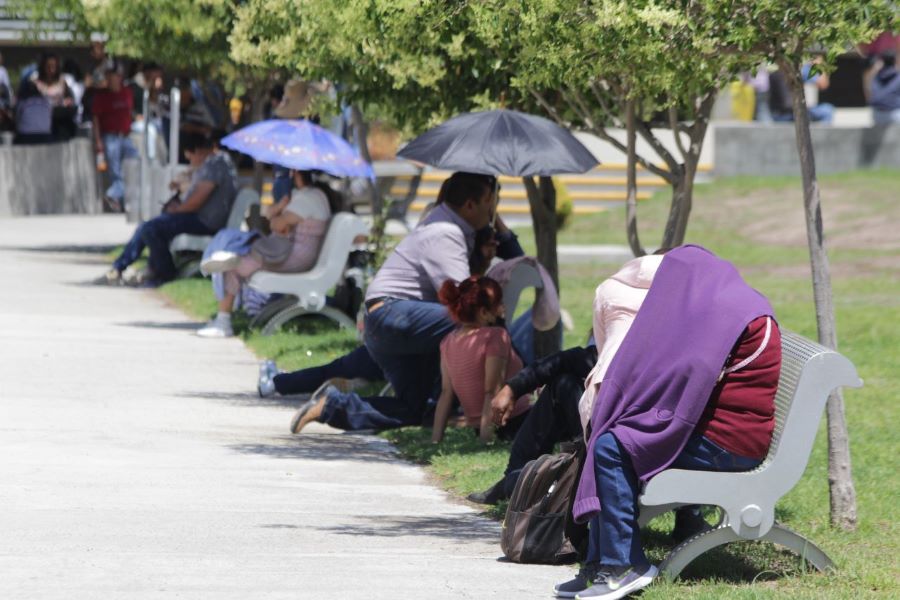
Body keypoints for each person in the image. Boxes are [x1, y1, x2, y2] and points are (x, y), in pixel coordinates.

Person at [555, 245, 781, 600]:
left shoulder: (737, 317)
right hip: (711, 430)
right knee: (607, 434)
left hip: (732, 445)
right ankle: (600, 564)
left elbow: (691, 376)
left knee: (613, 447)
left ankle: (622, 566)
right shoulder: (718, 303)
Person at [286, 171, 496, 434]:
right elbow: (467, 301)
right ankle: (478, 411)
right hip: (394, 315)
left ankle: (331, 406)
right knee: (478, 325)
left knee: (412, 409)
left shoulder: (447, 225)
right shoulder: (446, 231)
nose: (492, 207)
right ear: (469, 205)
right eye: (490, 200)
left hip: (388, 322)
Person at [197, 170, 334, 338]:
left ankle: (223, 322)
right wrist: (280, 211)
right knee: (235, 254)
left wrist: (279, 214)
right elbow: (272, 217)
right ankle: (224, 316)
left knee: (230, 265)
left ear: (296, 174)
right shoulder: (311, 196)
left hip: (293, 258)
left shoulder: (308, 199)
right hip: (294, 255)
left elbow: (275, 224)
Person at [102, 132, 237, 287]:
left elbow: (195, 202)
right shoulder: (214, 163)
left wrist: (175, 211)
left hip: (205, 222)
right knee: (147, 226)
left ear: (199, 152)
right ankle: (123, 267)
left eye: (190, 157)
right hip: (200, 219)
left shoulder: (216, 165)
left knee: (151, 228)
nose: (190, 161)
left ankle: (164, 273)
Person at [431, 276, 529, 444]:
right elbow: (492, 390)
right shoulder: (495, 336)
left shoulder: (447, 342)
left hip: (479, 426)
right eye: (498, 304)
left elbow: (446, 393)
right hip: (513, 421)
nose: (502, 308)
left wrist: (435, 440)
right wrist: (486, 440)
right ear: (484, 312)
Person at [92, 65, 137, 212]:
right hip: (110, 136)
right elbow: (96, 120)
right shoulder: (101, 97)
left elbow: (129, 112)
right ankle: (115, 196)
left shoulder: (127, 93)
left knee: (135, 165)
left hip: (125, 136)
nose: (113, 81)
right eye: (109, 78)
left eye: (115, 78)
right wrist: (98, 140)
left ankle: (117, 195)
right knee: (115, 171)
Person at [31, 52, 76, 140]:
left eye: (53, 66)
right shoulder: (35, 83)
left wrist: (67, 102)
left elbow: (70, 99)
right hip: (41, 123)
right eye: (48, 66)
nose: (51, 70)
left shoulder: (62, 82)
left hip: (60, 121)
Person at [867, 51, 900, 125]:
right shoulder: (898, 76)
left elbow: (869, 91)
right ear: (895, 60)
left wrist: (875, 69)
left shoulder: (876, 77)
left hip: (877, 114)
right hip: (896, 114)